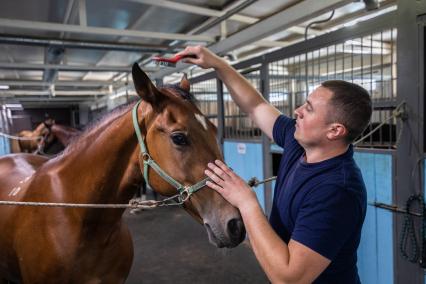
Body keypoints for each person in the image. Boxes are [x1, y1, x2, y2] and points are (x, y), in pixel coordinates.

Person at [176, 45, 371, 284]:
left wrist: (246, 202)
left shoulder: (337, 190)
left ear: (335, 130)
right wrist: (218, 63)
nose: (297, 111)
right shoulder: (297, 141)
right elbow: (256, 106)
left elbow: (289, 278)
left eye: (308, 109)